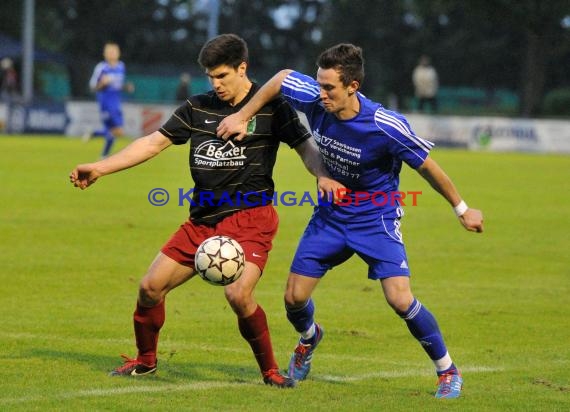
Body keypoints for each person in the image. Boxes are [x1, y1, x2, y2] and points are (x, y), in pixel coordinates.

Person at [70, 34, 341, 388]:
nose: (215, 84)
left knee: (238, 295)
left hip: (251, 219)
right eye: (211, 77)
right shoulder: (197, 107)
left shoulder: (272, 108)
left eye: (222, 76)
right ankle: (146, 362)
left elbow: (306, 148)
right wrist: (100, 167)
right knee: (150, 288)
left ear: (242, 68)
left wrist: (322, 175)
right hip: (202, 220)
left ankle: (271, 372)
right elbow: (153, 143)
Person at [217, 43, 484, 399]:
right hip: (330, 215)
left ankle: (447, 370)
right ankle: (310, 338)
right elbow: (281, 78)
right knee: (294, 298)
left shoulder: (384, 125)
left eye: (329, 87)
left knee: (400, 299)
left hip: (376, 217)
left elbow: (428, 167)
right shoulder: (315, 97)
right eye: (319, 83)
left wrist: (462, 209)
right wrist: (242, 115)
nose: (321, 93)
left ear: (353, 87)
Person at [85, 42, 134, 158]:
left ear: (119, 53)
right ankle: (102, 150)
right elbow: (93, 86)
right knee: (118, 131)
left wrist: (126, 87)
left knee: (113, 132)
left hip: (116, 102)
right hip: (105, 103)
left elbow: (117, 85)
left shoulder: (121, 66)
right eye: (109, 51)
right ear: (105, 54)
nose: (112, 54)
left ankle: (103, 153)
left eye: (114, 51)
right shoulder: (102, 67)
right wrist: (102, 83)